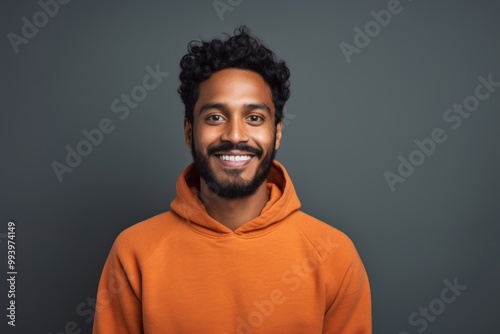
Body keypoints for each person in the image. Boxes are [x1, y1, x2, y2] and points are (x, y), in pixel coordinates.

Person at [93, 25, 371, 334]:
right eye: (215, 117)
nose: (235, 135)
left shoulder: (334, 254)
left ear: (277, 132)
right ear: (189, 131)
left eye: (254, 118)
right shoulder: (134, 252)